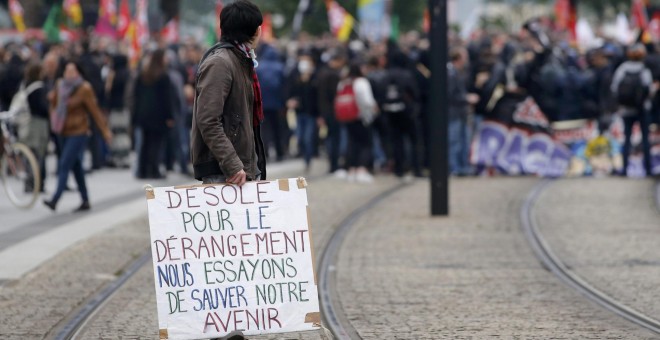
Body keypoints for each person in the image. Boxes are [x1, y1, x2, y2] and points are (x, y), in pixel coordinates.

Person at [191, 0, 266, 188]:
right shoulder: (221, 63)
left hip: (238, 166)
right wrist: (232, 163)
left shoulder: (241, 59)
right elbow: (208, 119)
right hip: (224, 170)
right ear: (256, 31)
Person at [43, 62, 112, 212]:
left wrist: (105, 131)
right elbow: (54, 106)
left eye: (72, 70)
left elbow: (95, 111)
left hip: (78, 131)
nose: (69, 73)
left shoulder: (84, 88)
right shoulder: (60, 85)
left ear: (78, 72)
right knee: (77, 166)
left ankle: (55, 199)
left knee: (64, 163)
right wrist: (53, 99)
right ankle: (85, 199)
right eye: (67, 70)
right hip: (62, 130)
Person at [611, 43, 654, 176]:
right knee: (646, 139)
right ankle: (647, 169)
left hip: (626, 110)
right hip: (642, 110)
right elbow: (650, 89)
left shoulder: (622, 69)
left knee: (627, 138)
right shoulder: (644, 70)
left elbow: (614, 88)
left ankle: (625, 169)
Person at [133, 49, 175, 179]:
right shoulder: (163, 76)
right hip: (158, 115)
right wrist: (170, 116)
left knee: (145, 143)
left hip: (143, 114)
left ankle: (142, 170)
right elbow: (167, 98)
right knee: (156, 144)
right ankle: (153, 169)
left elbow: (136, 96)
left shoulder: (143, 75)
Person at [338, 61, 378, 183]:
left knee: (351, 143)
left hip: (347, 117)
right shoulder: (362, 82)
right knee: (365, 143)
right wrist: (374, 110)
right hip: (362, 117)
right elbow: (368, 101)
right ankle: (362, 169)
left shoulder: (343, 83)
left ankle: (351, 169)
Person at [448, 47, 479, 176]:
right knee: (454, 140)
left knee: (462, 139)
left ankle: (461, 166)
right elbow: (449, 94)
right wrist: (466, 98)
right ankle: (454, 167)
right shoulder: (450, 73)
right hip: (453, 112)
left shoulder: (457, 72)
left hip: (460, 112)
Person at [286, 52, 319, 172]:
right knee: (299, 137)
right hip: (299, 113)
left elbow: (317, 96)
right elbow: (290, 92)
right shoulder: (295, 76)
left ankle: (308, 160)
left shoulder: (316, 76)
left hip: (311, 114)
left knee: (308, 138)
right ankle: (305, 156)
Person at [20, 62, 50, 192]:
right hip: (38, 124)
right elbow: (42, 108)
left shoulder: (24, 84)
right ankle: (36, 183)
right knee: (38, 154)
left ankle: (29, 183)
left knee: (29, 154)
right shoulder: (39, 87)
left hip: (27, 123)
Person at [256, 43, 286, 161]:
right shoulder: (280, 67)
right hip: (277, 104)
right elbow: (284, 86)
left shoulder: (259, 67)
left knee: (264, 130)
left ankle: (265, 153)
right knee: (277, 128)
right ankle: (280, 152)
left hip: (262, 104)